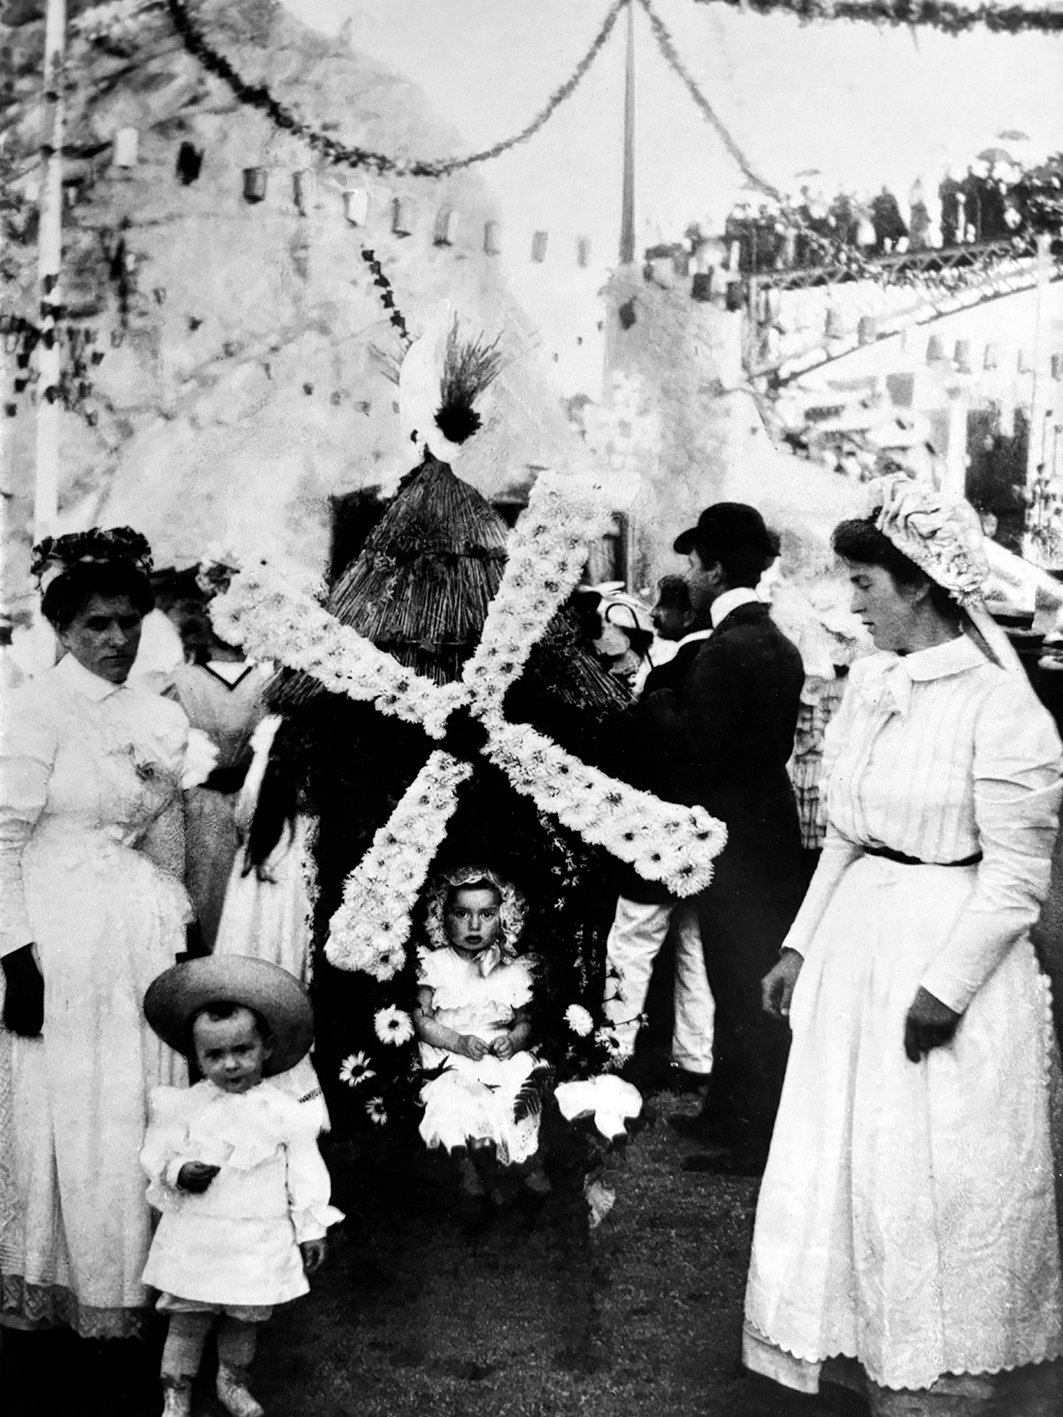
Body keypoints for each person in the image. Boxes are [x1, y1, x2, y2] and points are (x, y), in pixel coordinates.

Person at [744, 475, 1063, 1415]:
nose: (852, 603)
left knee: (932, 1162)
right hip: (856, 947)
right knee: (844, 1150)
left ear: (919, 584)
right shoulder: (871, 685)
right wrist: (799, 946)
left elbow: (1015, 880)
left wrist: (946, 989)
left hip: (943, 946)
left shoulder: (1002, 710)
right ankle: (849, 1341)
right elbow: (844, 834)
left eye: (864, 583)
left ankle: (941, 1369)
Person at [0, 528, 214, 1393]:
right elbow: (3, 839)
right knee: (66, 1105)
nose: (117, 638)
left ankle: (131, 1282)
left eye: (129, 620)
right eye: (97, 624)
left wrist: (182, 930)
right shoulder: (33, 712)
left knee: (134, 1103)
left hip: (137, 932)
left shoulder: (157, 714)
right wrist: (16, 959)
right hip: (55, 931)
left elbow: (164, 833)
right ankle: (58, 1289)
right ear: (61, 629)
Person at [647, 504, 806, 1174]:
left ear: (714, 569)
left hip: (732, 837)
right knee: (741, 974)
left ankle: (751, 1130)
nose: (688, 574)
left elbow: (699, 747)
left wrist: (658, 704)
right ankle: (730, 1108)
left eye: (693, 563)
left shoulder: (726, 646)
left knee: (738, 978)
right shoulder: (772, 640)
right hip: (765, 829)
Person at [141, 955, 343, 1417]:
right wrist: (178, 1170)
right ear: (195, 1057)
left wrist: (311, 1227)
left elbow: (305, 1171)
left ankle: (231, 1381)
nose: (230, 1064)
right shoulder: (184, 1106)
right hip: (199, 1234)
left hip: (256, 1235)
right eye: (214, 1055)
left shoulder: (283, 1110)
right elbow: (156, 1153)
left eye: (242, 1050)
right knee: (188, 1316)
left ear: (266, 1047)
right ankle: (176, 1392)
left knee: (244, 1315)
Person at [604, 575, 715, 1081]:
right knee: (695, 945)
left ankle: (614, 1048)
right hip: (709, 833)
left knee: (632, 942)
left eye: (666, 608)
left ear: (687, 615)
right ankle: (696, 1054)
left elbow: (643, 758)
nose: (656, 616)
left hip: (660, 830)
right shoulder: (724, 664)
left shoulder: (668, 676)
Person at [413, 866, 549, 1196]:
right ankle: (466, 1166)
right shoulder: (436, 964)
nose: (474, 926)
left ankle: (524, 1160)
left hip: (497, 1052)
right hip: (452, 1051)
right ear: (441, 915)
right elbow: (422, 1020)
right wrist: (457, 1041)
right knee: (453, 1093)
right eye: (461, 914)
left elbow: (525, 1021)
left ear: (504, 916)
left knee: (518, 1081)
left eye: (487, 915)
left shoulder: (511, 967)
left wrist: (513, 1041)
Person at [165, 614, 270, 952]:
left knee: (204, 887)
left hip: (202, 801)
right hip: (257, 799)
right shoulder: (266, 682)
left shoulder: (181, 681)